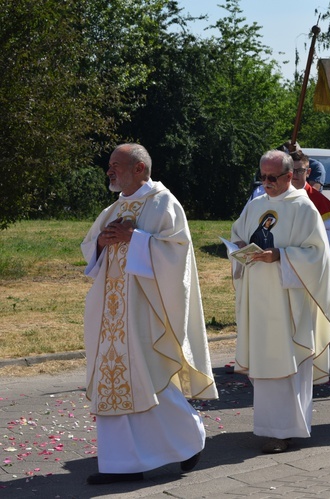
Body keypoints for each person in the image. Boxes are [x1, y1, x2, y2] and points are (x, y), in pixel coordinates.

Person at [81, 143, 217, 485]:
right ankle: (121, 464)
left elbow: (177, 254)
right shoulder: (118, 205)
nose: (109, 170)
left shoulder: (163, 202)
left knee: (149, 376)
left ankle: (190, 440)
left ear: (139, 168)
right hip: (111, 310)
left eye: (116, 165)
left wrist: (136, 238)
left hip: (145, 308)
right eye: (110, 164)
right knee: (112, 380)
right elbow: (91, 246)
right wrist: (102, 243)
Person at [232, 150, 330, 452]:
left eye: (272, 177)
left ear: (290, 176)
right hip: (260, 298)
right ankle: (268, 427)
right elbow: (238, 234)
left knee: (286, 361)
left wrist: (280, 255)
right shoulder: (256, 205)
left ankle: (286, 430)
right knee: (266, 361)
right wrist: (239, 246)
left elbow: (317, 256)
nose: (265, 183)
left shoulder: (304, 209)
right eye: (262, 177)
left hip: (289, 301)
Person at [291, 152, 330, 256]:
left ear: (308, 172)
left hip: (307, 258)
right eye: (291, 170)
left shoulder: (318, 200)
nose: (295, 175)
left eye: (300, 170)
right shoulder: (277, 196)